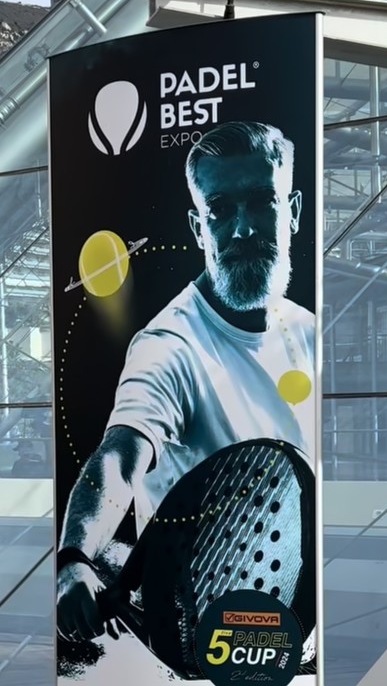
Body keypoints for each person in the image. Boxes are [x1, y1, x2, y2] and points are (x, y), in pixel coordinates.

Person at [56, 120, 315, 644]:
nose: (242, 229)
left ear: (292, 211)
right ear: (199, 228)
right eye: (220, 210)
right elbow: (119, 457)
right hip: (204, 642)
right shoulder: (168, 346)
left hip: (292, 632)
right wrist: (74, 557)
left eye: (261, 202)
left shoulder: (308, 330)